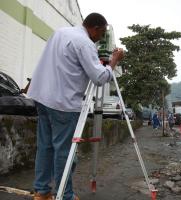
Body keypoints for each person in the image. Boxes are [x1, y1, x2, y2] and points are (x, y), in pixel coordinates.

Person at [27, 13, 124, 200]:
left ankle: (41, 191)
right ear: (95, 28)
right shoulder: (85, 43)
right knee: (64, 151)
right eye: (102, 33)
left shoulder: (61, 32)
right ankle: (65, 194)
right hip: (63, 103)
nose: (100, 38)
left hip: (42, 97)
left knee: (45, 146)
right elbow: (99, 77)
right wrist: (114, 61)